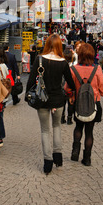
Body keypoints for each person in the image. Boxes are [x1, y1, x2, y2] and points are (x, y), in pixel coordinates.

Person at [25, 34, 76, 174]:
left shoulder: (39, 59)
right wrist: (72, 93)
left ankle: (47, 162)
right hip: (58, 99)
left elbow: (30, 80)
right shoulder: (63, 62)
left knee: (45, 130)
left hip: (42, 99)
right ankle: (58, 157)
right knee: (57, 126)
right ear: (60, 45)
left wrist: (26, 95)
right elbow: (70, 82)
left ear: (47, 44)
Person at [66, 43, 103, 166]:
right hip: (93, 104)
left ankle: (75, 152)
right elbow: (102, 88)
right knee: (89, 132)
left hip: (78, 103)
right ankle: (87, 159)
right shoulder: (97, 69)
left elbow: (67, 87)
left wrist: (71, 95)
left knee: (78, 127)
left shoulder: (73, 69)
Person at [61, 48, 74, 125]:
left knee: (62, 103)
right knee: (70, 103)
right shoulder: (73, 66)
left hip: (62, 87)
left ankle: (62, 118)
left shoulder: (61, 65)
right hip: (70, 87)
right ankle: (69, 119)